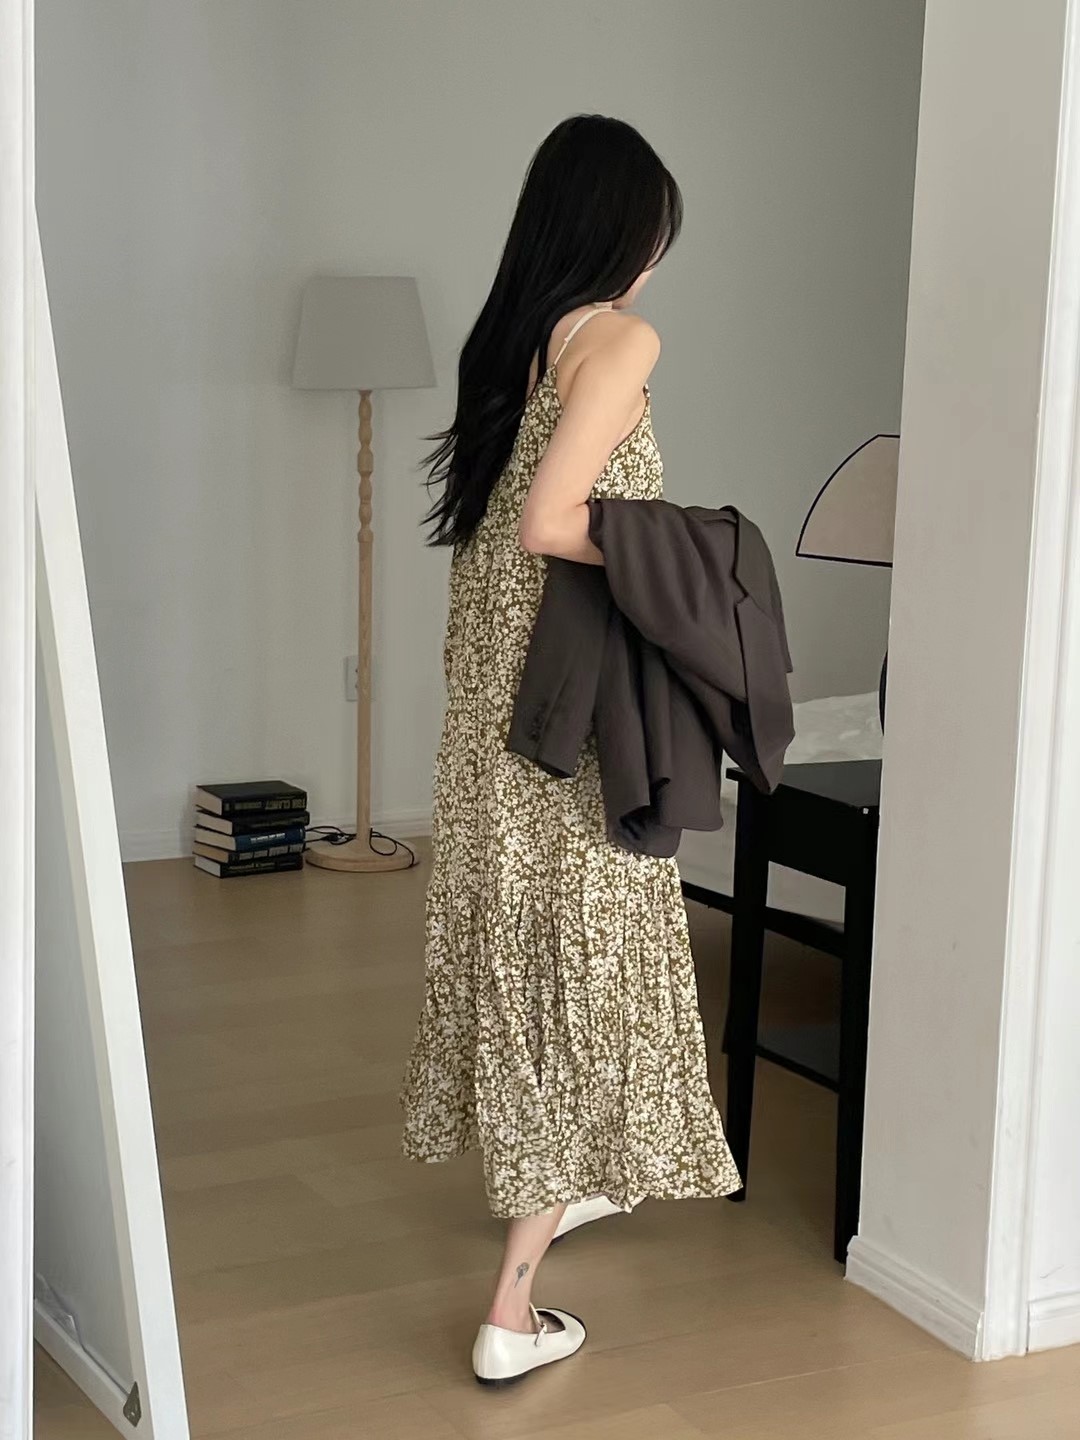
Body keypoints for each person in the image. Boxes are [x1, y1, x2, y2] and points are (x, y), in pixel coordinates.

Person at [401, 114, 741, 1387]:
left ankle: (574, 1176)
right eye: (656, 230)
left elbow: (497, 539)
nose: (659, 257)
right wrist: (685, 554)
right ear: (621, 229)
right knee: (582, 961)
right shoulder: (622, 339)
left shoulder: (519, 341)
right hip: (572, 717)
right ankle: (512, 1312)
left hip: (497, 708)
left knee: (536, 954)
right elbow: (553, 523)